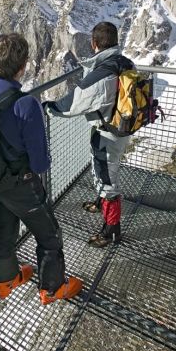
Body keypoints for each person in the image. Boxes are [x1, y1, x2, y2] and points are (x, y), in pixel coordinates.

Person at [0, 33, 84, 304]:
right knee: (50, 235)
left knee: (6, 230)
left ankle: (6, 280)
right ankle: (52, 289)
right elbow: (40, 163)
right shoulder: (25, 104)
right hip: (21, 184)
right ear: (23, 65)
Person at [45, 22, 132, 248]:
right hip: (120, 128)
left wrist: (48, 107)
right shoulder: (123, 61)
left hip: (108, 134)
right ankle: (99, 201)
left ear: (94, 43)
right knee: (102, 171)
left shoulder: (103, 73)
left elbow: (72, 104)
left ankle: (112, 232)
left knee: (108, 181)